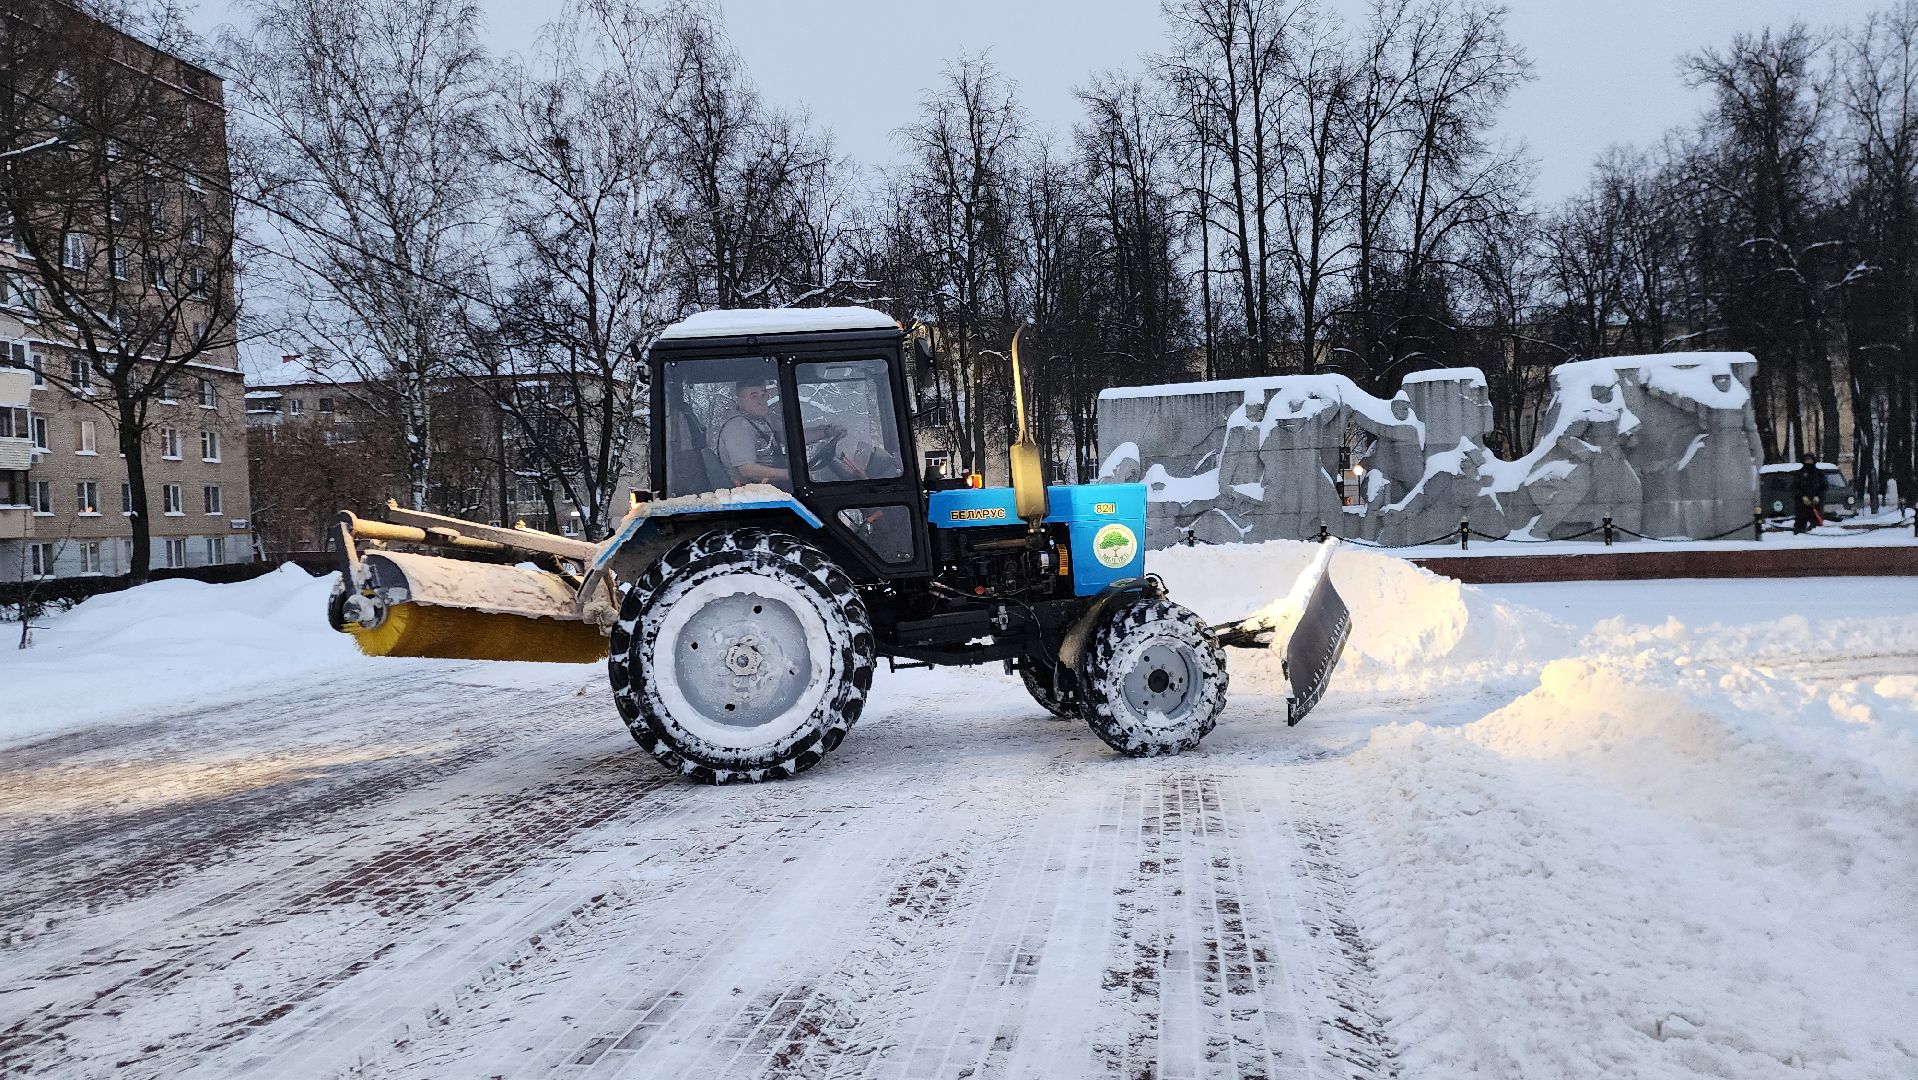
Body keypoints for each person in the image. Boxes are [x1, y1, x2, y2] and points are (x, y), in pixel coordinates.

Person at [715, 379, 840, 490]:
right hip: (752, 493)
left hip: (771, 488)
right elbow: (747, 470)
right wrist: (790, 474)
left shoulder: (763, 421)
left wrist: (826, 432)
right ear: (739, 400)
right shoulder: (739, 426)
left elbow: (793, 438)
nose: (762, 400)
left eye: (764, 395)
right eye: (754, 396)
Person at [1792, 453, 1826, 534]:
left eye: (1810, 460)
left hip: (1815, 504)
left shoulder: (1819, 473)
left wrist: (1818, 496)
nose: (1808, 461)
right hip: (1801, 504)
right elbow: (1795, 488)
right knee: (1800, 524)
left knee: (1816, 525)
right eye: (1806, 460)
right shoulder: (1799, 474)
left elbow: (1823, 487)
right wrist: (1802, 497)